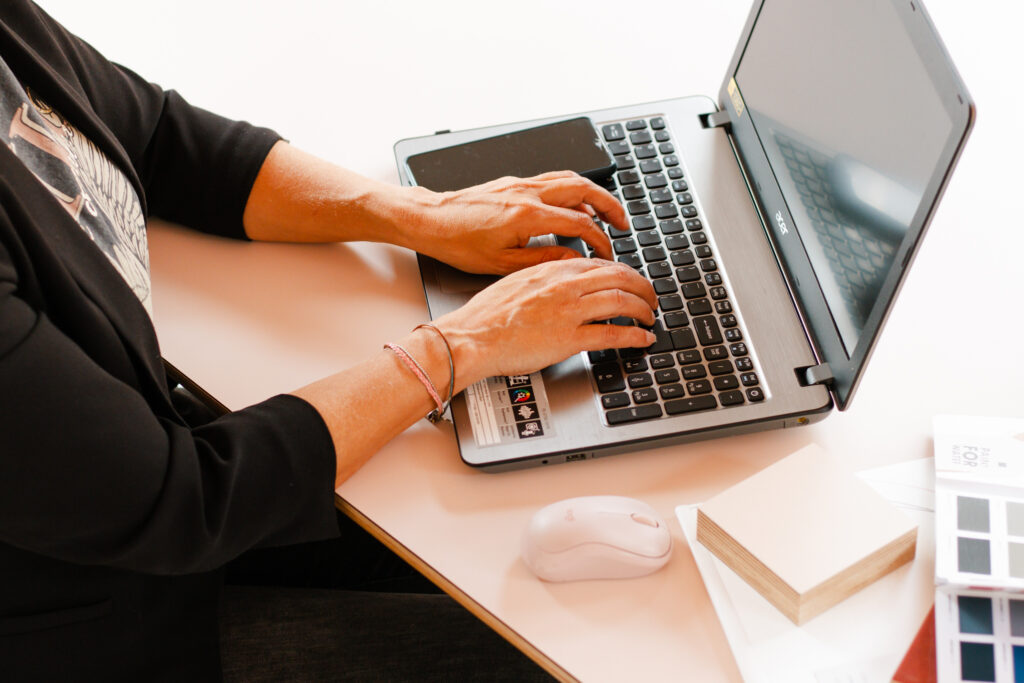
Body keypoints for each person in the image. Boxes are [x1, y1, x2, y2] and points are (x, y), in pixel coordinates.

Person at [0, 1, 657, 680]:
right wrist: (465, 341)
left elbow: (159, 136)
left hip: (163, 488)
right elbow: (183, 502)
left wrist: (419, 213)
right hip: (132, 627)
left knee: (511, 523)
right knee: (568, 653)